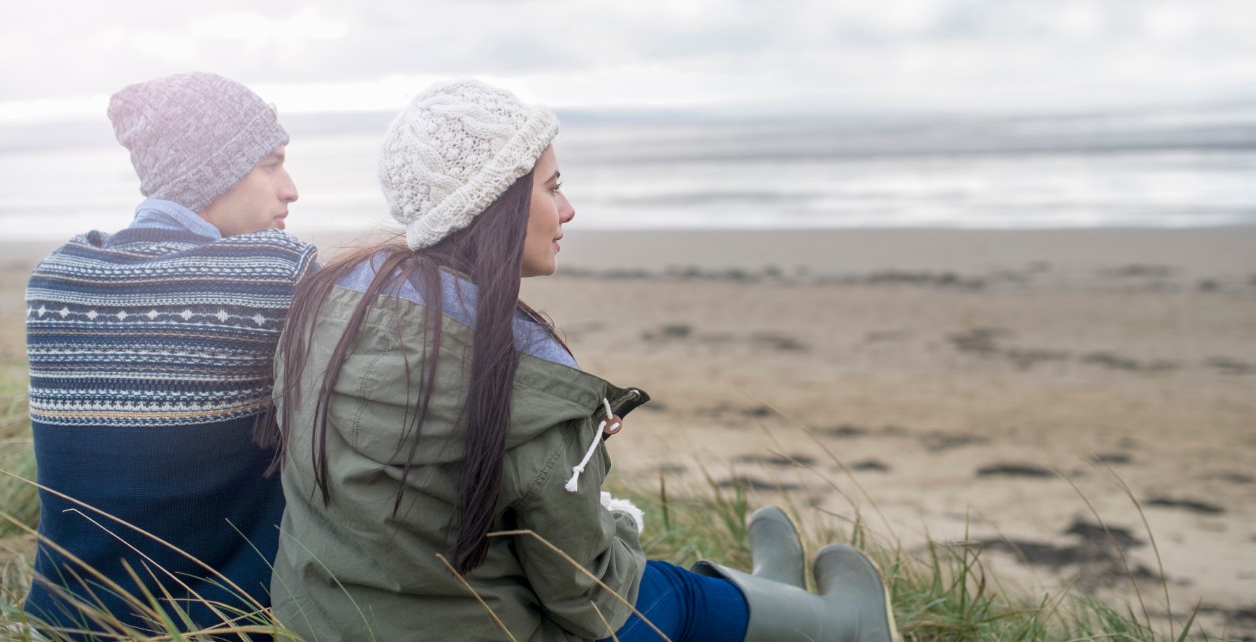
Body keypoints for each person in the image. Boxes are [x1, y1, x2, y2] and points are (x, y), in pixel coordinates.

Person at [270, 79, 900, 641]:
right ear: (499, 205)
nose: (568, 209)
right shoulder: (515, 377)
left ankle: (776, 593)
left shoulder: (327, 309)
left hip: (325, 617)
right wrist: (612, 513)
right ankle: (844, 625)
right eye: (553, 187)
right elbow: (592, 598)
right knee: (664, 591)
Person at [24, 72, 319, 638]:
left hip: (60, 623)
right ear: (216, 171)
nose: (291, 189)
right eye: (270, 164)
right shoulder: (279, 274)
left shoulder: (55, 277)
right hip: (213, 627)